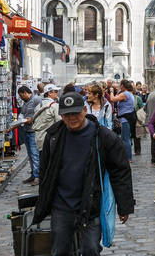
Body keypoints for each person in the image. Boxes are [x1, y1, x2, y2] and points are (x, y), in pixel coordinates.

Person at [34, 91, 135, 256]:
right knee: (59, 251)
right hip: (61, 207)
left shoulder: (103, 136)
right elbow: (46, 172)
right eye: (67, 115)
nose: (71, 118)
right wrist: (44, 202)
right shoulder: (53, 136)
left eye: (75, 113)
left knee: (91, 250)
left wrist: (124, 206)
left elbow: (120, 172)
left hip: (91, 205)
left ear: (84, 110)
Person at [18, 85, 44, 184]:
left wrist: (32, 119)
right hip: (26, 130)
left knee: (35, 155)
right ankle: (33, 174)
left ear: (25, 93)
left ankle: (37, 176)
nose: (20, 98)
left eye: (21, 95)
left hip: (33, 131)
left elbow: (41, 113)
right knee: (30, 155)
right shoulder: (25, 103)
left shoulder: (36, 100)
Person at [31, 84, 62, 160]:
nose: (57, 93)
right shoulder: (54, 106)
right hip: (50, 141)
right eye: (56, 91)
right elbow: (60, 123)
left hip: (39, 140)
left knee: (43, 163)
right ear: (49, 93)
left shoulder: (38, 106)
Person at [109, 80, 137, 161]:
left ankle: (128, 158)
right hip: (129, 117)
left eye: (119, 84)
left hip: (125, 119)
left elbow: (112, 99)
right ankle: (127, 155)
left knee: (125, 139)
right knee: (127, 138)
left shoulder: (124, 94)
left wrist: (111, 91)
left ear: (122, 86)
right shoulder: (129, 93)